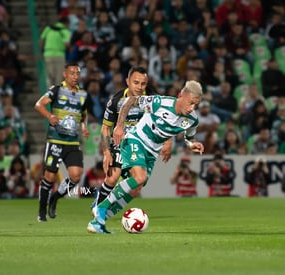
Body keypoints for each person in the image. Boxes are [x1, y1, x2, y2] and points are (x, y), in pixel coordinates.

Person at [87, 80, 205, 233]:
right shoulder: (159, 103)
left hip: (152, 152)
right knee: (140, 178)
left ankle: (99, 221)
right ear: (181, 95)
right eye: (190, 103)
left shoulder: (192, 120)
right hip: (136, 140)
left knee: (136, 190)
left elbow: (190, 138)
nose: (192, 108)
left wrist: (192, 144)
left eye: (196, 105)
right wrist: (120, 126)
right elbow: (131, 100)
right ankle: (100, 208)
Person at [92, 66, 172, 218]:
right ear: (127, 81)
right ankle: (99, 208)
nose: (140, 87)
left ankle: (107, 212)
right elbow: (105, 129)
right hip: (120, 144)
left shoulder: (152, 99)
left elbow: (166, 119)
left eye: (143, 84)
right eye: (136, 83)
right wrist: (106, 152)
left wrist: (168, 142)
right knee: (113, 176)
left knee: (136, 189)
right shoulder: (115, 101)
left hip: (141, 146)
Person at [35, 62, 89, 222]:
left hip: (72, 142)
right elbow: (39, 105)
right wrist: (50, 116)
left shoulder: (83, 94)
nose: (75, 76)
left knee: (76, 175)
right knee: (49, 177)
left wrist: (84, 127)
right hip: (55, 140)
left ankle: (56, 198)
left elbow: (83, 113)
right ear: (65, 74)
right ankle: (41, 211)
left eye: (77, 73)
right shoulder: (57, 90)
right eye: (72, 73)